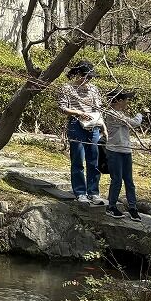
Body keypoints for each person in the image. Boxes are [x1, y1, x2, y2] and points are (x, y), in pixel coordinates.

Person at [59, 61, 106, 205]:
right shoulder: (67, 88)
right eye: (86, 76)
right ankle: (80, 192)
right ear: (78, 74)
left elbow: (99, 109)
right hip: (76, 125)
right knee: (78, 159)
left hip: (94, 125)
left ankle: (93, 192)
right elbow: (62, 107)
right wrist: (79, 112)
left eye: (90, 77)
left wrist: (103, 126)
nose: (87, 80)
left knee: (94, 160)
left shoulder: (93, 89)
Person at [102, 89, 143, 220]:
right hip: (114, 151)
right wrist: (140, 115)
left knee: (129, 181)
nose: (127, 102)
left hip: (126, 150)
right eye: (126, 99)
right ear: (119, 100)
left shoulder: (119, 113)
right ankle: (111, 207)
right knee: (117, 180)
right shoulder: (112, 114)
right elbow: (135, 123)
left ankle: (133, 208)